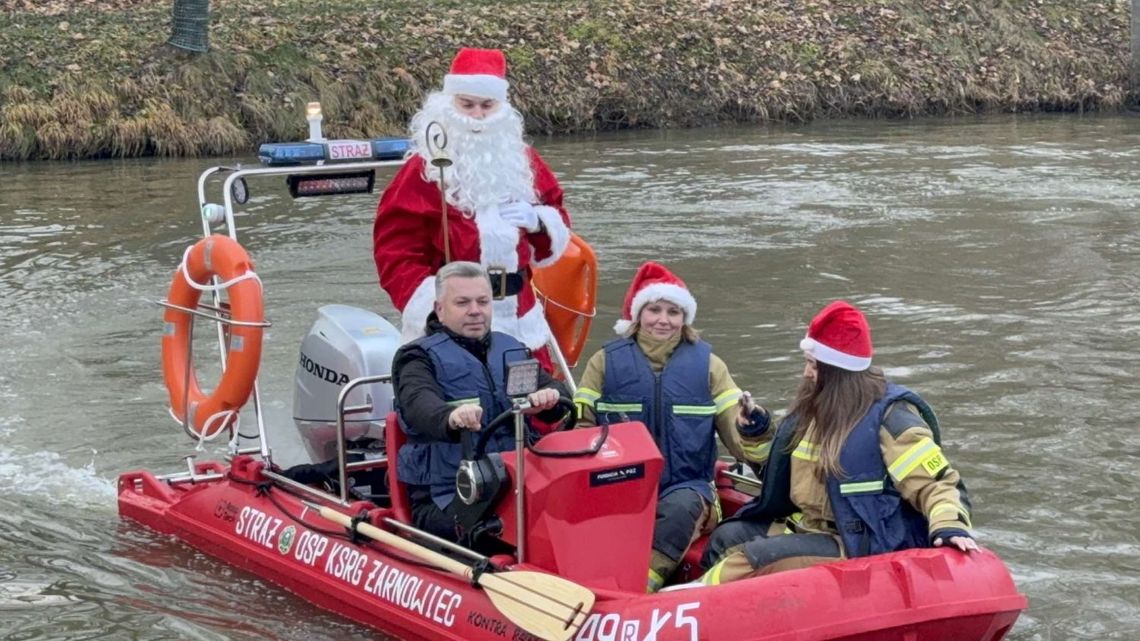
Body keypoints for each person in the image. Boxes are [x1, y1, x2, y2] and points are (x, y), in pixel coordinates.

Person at [696, 300, 977, 585]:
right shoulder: (811, 413)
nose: (806, 373)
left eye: (813, 366)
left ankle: (689, 609)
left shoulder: (890, 420)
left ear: (837, 372)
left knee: (749, 560)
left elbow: (937, 483)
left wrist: (950, 526)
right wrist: (758, 432)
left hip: (856, 540)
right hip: (807, 525)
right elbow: (776, 475)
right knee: (725, 538)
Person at [573, 261, 771, 592]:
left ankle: (635, 591)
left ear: (685, 318)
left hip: (689, 487)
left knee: (679, 510)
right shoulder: (604, 362)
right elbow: (581, 427)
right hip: (620, 486)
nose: (663, 320)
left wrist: (753, 428)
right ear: (639, 314)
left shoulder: (709, 365)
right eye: (654, 309)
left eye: (673, 312)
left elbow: (735, 434)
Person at [373, 47, 572, 372]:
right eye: (467, 105)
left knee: (535, 408)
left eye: (487, 105)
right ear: (448, 104)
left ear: (501, 107)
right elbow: (395, 252)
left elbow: (558, 219)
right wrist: (434, 306)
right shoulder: (424, 170)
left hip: (519, 317)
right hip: (452, 319)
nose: (477, 115)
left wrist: (539, 222)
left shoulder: (523, 161)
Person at [390, 261, 572, 543]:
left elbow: (556, 391)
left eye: (482, 301)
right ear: (440, 309)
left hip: (517, 481)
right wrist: (450, 417)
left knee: (575, 508)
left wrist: (551, 400)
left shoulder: (511, 349)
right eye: (462, 303)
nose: (475, 311)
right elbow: (419, 404)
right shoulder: (416, 358)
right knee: (496, 530)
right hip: (448, 492)